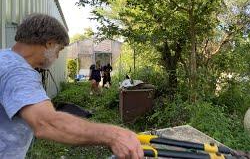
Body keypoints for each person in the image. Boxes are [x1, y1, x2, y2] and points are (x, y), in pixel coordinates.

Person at [0, 14, 143, 159]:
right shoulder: (18, 71)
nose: (56, 56)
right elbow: (46, 123)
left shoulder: (4, 58)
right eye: (59, 50)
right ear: (49, 44)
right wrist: (114, 135)